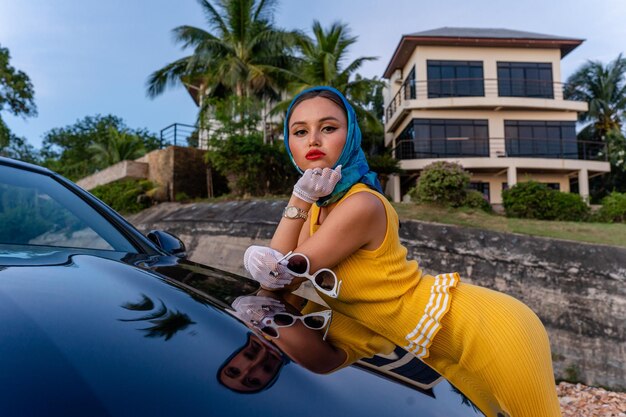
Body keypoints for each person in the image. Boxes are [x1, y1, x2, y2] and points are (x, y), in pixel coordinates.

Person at [243, 86, 562, 417]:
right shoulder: (313, 210)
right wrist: (303, 201)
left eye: (328, 128)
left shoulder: (362, 203)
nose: (312, 141)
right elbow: (274, 291)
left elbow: (280, 273)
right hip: (432, 350)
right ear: (289, 144)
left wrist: (298, 197)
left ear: (349, 136)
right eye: (300, 131)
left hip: (490, 329)